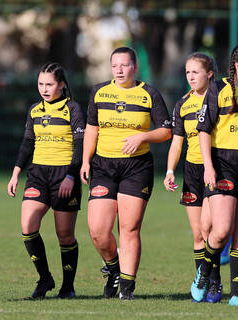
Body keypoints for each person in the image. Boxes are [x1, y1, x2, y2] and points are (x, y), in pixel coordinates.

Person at [80, 47, 171, 300]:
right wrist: (85, 161)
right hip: (103, 167)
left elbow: (166, 131)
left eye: (124, 65)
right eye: (114, 66)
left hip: (136, 167)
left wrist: (143, 135)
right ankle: (113, 268)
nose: (119, 70)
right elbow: (91, 128)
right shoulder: (99, 92)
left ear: (135, 67)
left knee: (129, 229)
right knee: (98, 230)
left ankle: (127, 290)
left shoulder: (149, 94)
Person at [7, 62, 85, 299]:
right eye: (40, 84)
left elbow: (81, 145)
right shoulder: (34, 110)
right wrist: (16, 172)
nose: (44, 88)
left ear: (61, 84)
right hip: (38, 175)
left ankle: (67, 287)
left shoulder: (72, 109)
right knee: (28, 227)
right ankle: (45, 279)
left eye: (49, 84)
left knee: (65, 235)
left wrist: (71, 175)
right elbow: (27, 142)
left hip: (64, 175)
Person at [164, 52, 222, 303]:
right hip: (191, 171)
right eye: (187, 72)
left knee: (212, 228)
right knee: (198, 232)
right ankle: (207, 280)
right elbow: (177, 143)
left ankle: (214, 282)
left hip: (216, 167)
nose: (190, 77)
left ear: (209, 73)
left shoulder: (221, 97)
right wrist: (169, 170)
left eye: (195, 72)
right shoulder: (182, 104)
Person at [190, 45, 238, 306]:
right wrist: (208, 166)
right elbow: (204, 130)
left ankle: (237, 292)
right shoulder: (218, 89)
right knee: (220, 231)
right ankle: (204, 274)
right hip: (223, 163)